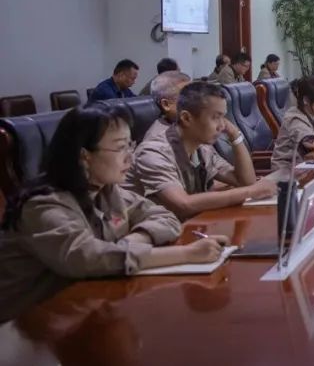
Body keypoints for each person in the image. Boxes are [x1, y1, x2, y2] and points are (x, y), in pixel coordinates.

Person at [0, 104, 228, 322]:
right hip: (24, 328)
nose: (130, 157)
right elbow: (86, 258)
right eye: (120, 148)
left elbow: (165, 216)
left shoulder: (108, 191)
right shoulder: (42, 205)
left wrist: (136, 239)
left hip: (82, 310)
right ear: (84, 156)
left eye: (130, 145)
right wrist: (187, 254)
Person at [124, 81, 274, 220]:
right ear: (186, 118)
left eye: (223, 117)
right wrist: (251, 192)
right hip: (142, 235)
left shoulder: (202, 147)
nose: (222, 126)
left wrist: (235, 135)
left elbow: (245, 181)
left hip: (182, 226)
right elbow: (183, 205)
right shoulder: (154, 152)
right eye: (215, 117)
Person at [143, 71, 192, 143]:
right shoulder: (158, 143)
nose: (197, 101)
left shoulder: (188, 124)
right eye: (188, 97)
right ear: (166, 104)